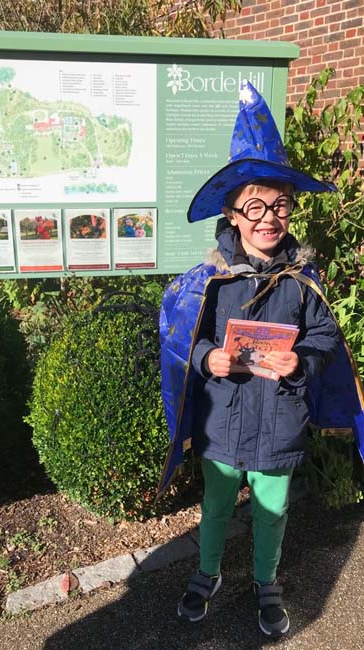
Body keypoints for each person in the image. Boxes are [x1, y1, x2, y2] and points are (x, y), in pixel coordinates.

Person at [158, 80, 350, 638]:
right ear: (234, 214)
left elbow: (323, 337)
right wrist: (205, 357)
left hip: (279, 418)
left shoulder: (302, 280)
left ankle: (267, 581)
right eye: (256, 206)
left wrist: (303, 364)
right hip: (222, 421)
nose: (270, 217)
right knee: (216, 508)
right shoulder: (210, 281)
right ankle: (207, 573)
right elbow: (177, 334)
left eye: (280, 205)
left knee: (272, 511)